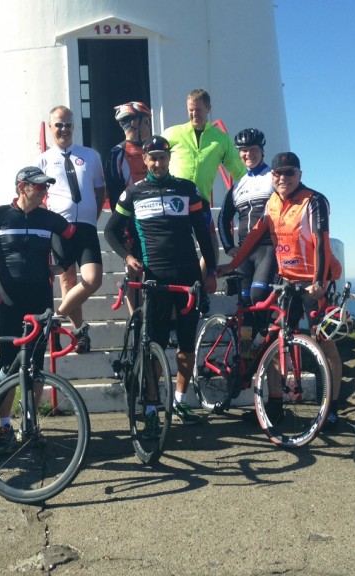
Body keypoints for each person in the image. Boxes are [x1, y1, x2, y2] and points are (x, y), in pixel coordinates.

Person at [217, 152, 343, 428]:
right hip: (287, 281)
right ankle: (274, 406)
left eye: (289, 172)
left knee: (325, 342)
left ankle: (333, 406)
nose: (283, 178)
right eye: (278, 173)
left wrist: (319, 282)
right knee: (276, 340)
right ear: (272, 177)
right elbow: (253, 237)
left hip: (315, 282)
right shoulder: (273, 201)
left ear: (299, 174)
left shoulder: (314, 201)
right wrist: (231, 265)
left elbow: (322, 244)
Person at [104, 135, 218, 431]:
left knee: (186, 342)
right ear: (144, 159)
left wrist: (211, 271)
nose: (157, 162)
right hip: (154, 276)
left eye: (162, 157)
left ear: (169, 159)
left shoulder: (186, 189)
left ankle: (180, 400)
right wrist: (128, 258)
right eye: (152, 157)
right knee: (151, 342)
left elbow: (203, 235)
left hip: (187, 276)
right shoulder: (132, 193)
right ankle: (152, 406)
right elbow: (111, 231)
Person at [0, 166, 76, 453]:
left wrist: (62, 264)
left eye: (46, 187)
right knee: (9, 365)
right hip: (8, 298)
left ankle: (29, 423)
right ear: (22, 187)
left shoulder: (48, 218)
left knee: (35, 365)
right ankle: (5, 423)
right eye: (40, 187)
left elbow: (75, 239)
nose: (45, 192)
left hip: (39, 299)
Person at [162, 88, 247, 299]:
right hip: (173, 200)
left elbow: (238, 171)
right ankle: (175, 293)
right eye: (191, 110)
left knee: (211, 247)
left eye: (199, 110)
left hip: (200, 202)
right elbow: (155, 162)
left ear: (208, 109)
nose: (194, 114)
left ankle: (198, 287)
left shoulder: (221, 139)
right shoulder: (172, 133)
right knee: (175, 249)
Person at [37, 105, 106, 352]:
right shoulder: (43, 160)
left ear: (74, 127)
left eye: (68, 124)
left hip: (86, 226)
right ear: (51, 127)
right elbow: (36, 196)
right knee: (68, 280)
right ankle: (79, 333)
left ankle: (56, 316)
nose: (64, 129)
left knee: (92, 279)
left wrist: (93, 215)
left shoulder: (90, 155)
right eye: (59, 125)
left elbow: (100, 189)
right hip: (60, 225)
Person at [218, 128, 277, 356]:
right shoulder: (238, 184)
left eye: (253, 149)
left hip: (268, 248)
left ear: (262, 151)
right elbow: (224, 217)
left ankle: (262, 344)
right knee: (244, 306)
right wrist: (229, 248)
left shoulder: (274, 177)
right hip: (244, 252)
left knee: (258, 297)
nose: (248, 154)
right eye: (243, 151)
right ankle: (245, 357)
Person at [104, 101, 153, 209]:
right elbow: (114, 191)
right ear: (134, 123)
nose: (149, 126)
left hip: (151, 213)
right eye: (146, 121)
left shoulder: (151, 148)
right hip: (130, 215)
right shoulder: (117, 153)